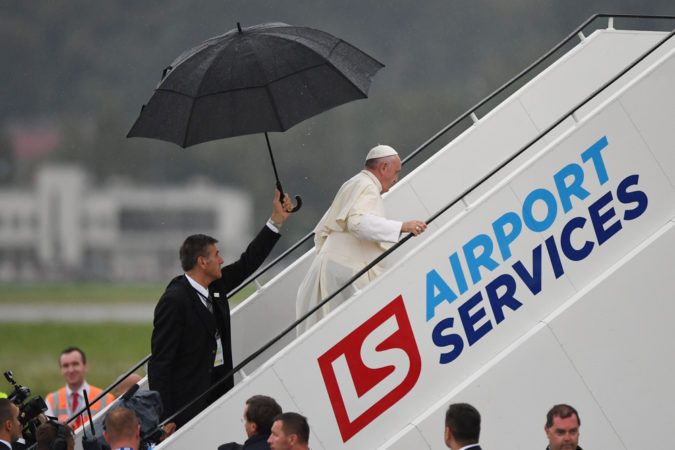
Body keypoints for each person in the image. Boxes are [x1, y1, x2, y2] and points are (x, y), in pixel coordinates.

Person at [148, 190, 292, 430]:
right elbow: (160, 363)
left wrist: (276, 221)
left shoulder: (215, 287)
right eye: (217, 255)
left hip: (219, 397)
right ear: (202, 262)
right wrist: (165, 417)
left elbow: (248, 263)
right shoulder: (175, 300)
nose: (222, 260)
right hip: (187, 409)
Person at [296, 144, 427, 332]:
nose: (396, 179)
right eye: (396, 172)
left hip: (332, 267)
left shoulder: (355, 182)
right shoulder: (367, 187)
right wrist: (402, 226)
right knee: (342, 332)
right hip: (343, 271)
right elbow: (357, 223)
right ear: (384, 167)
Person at [44, 347, 115, 429]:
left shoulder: (107, 399)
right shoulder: (51, 400)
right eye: (65, 366)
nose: (71, 370)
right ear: (61, 370)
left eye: (75, 364)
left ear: (85, 366)